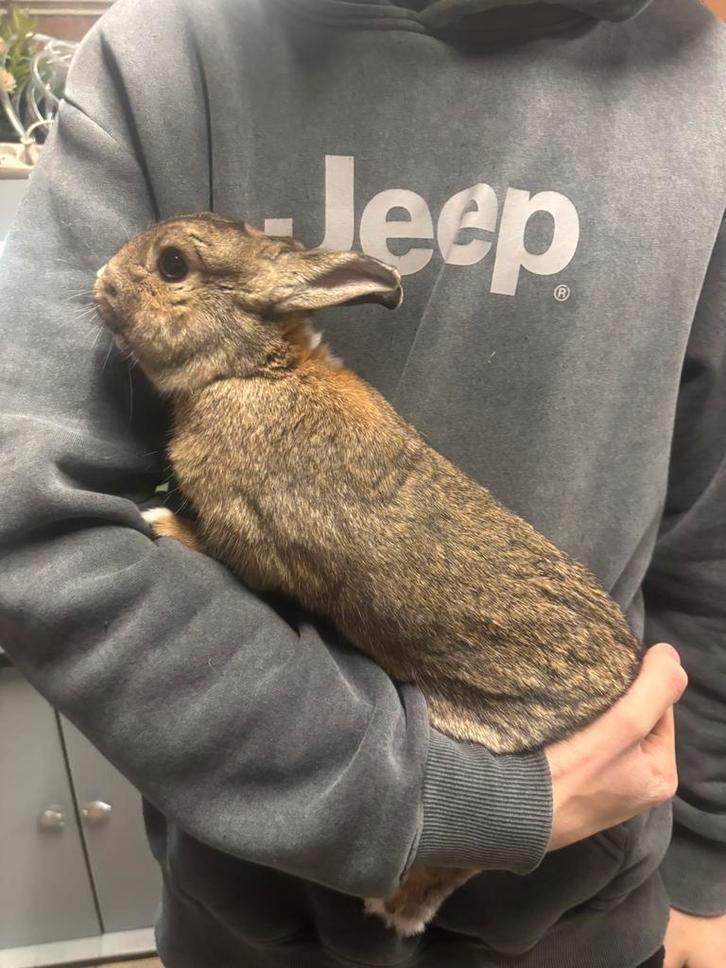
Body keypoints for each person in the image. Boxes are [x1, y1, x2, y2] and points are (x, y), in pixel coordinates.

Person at [0, 0, 723, 966]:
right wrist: (431, 798)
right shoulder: (164, 52)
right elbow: (41, 523)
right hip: (255, 919)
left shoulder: (703, 83)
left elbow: (708, 527)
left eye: (169, 268)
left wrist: (709, 866)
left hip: (588, 907)